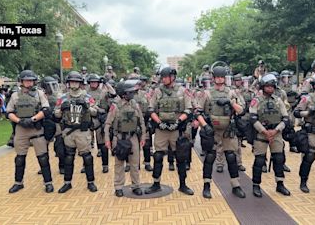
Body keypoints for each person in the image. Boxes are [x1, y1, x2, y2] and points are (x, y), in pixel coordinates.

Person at [195, 66, 246, 198]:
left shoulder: (232, 93)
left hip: (228, 130)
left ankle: (236, 185)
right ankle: (206, 186)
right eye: (217, 77)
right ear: (213, 78)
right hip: (212, 129)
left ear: (225, 78)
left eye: (222, 77)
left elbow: (241, 110)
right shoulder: (207, 93)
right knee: (210, 157)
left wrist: (230, 102)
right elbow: (198, 112)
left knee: (231, 157)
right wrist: (205, 126)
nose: (219, 79)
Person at [144, 67, 194, 195]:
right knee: (158, 156)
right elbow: (150, 109)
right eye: (162, 77)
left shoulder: (182, 91)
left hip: (177, 129)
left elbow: (188, 109)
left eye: (165, 76)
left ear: (172, 77)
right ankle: (156, 184)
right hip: (162, 129)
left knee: (181, 157)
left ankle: (183, 185)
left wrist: (178, 122)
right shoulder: (157, 91)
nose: (163, 79)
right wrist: (159, 123)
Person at [6, 70, 54, 193]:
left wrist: (33, 119)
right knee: (20, 158)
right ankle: (18, 183)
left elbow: (46, 109)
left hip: (36, 127)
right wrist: (19, 121)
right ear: (21, 81)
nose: (29, 82)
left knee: (43, 157)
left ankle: (48, 182)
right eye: (26, 80)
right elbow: (9, 112)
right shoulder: (15, 95)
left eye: (31, 80)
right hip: (21, 128)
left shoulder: (39, 94)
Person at [55, 71, 98, 193]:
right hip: (68, 131)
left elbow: (95, 112)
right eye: (72, 82)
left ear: (80, 83)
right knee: (68, 157)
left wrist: (87, 106)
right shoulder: (63, 97)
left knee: (87, 157)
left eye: (76, 82)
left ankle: (91, 182)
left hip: (83, 131)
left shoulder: (87, 97)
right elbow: (56, 114)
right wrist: (61, 109)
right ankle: (67, 183)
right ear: (68, 83)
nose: (74, 84)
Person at [249, 74, 291, 197]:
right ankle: (256, 185)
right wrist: (264, 132)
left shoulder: (278, 100)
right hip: (261, 134)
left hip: (276, 133)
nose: (270, 89)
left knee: (279, 159)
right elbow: (252, 118)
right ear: (263, 87)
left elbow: (285, 118)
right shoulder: (256, 100)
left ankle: (280, 184)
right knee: (259, 160)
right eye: (267, 86)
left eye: (272, 86)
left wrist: (276, 130)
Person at [104, 80, 146, 197]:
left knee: (134, 163)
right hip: (119, 138)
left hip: (132, 137)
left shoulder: (135, 105)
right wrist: (107, 140)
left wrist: (143, 137)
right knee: (119, 164)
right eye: (130, 92)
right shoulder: (115, 106)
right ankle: (118, 187)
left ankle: (136, 185)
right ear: (124, 93)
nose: (133, 94)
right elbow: (107, 124)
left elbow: (141, 122)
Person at [87, 73, 117, 173]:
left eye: (96, 82)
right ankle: (85, 166)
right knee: (86, 146)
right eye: (92, 82)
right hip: (88, 119)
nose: (94, 84)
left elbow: (113, 94)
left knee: (103, 144)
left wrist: (107, 83)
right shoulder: (85, 93)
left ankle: (105, 165)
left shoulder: (103, 92)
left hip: (100, 119)